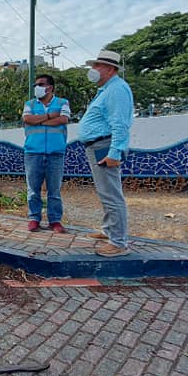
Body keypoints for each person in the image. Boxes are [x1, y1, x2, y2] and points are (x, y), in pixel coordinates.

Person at [78, 50, 134, 257]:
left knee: (111, 194)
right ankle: (110, 230)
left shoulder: (116, 90)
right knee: (106, 192)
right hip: (99, 145)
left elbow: (120, 124)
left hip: (104, 145)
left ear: (110, 69)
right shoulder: (107, 89)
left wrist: (114, 153)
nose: (93, 70)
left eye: (97, 66)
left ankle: (118, 242)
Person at [23, 73, 71, 233]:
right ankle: (34, 219)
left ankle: (55, 221)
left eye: (40, 84)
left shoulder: (63, 103)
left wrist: (39, 119)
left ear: (49, 87)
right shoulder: (29, 104)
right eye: (35, 85)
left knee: (54, 190)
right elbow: (27, 119)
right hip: (33, 152)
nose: (36, 87)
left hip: (55, 153)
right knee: (33, 190)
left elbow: (63, 120)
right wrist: (50, 116)